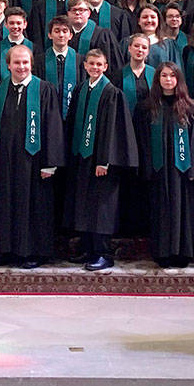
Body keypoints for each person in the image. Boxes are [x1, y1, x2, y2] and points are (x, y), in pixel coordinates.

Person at [0, 45, 65, 269]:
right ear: (8, 65)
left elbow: (53, 125)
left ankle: (33, 252)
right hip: (6, 160)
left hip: (35, 161)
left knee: (33, 205)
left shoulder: (44, 89)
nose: (21, 67)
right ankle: (8, 249)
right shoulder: (0, 89)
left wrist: (50, 162)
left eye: (25, 63)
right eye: (16, 62)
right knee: (6, 204)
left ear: (31, 64)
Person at [64, 48, 137, 271]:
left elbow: (115, 131)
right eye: (91, 64)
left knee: (101, 209)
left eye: (99, 64)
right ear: (84, 66)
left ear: (106, 67)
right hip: (82, 158)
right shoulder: (81, 89)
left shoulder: (111, 93)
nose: (95, 68)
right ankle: (88, 249)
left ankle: (103, 253)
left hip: (102, 162)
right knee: (84, 205)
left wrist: (104, 161)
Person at [135, 63, 194, 267]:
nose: (168, 79)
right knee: (160, 210)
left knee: (184, 210)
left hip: (183, 173)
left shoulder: (192, 108)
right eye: (163, 75)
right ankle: (162, 253)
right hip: (158, 171)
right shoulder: (147, 108)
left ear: (178, 79)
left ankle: (183, 253)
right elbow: (142, 141)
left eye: (172, 75)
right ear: (157, 79)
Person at [40, 15, 79, 118]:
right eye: (57, 31)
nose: (61, 35)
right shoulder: (40, 61)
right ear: (50, 35)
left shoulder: (79, 61)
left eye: (65, 31)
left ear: (70, 35)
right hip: (47, 116)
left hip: (73, 116)